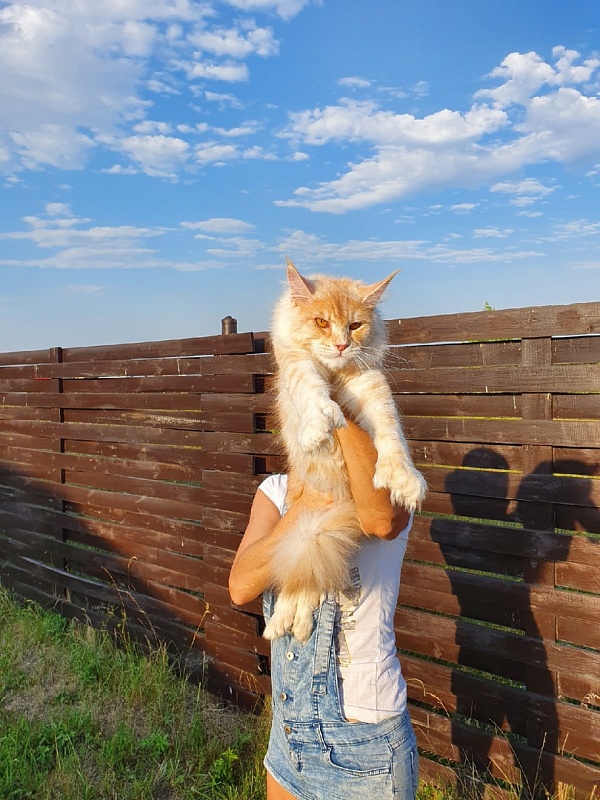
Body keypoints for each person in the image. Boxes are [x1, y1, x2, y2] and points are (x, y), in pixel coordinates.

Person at [228, 418, 419, 800]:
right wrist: (305, 507)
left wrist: (339, 404)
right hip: (289, 737)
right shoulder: (276, 492)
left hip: (363, 745)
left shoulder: (392, 487)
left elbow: (381, 521)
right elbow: (240, 585)